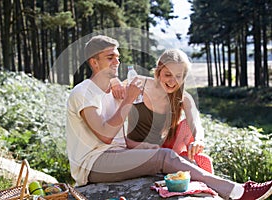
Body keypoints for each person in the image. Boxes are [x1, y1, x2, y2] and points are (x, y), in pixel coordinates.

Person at [66, 35, 272, 200]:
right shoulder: (83, 93)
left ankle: (225, 190)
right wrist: (128, 100)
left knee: (167, 155)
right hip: (92, 165)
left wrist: (139, 146)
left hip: (113, 156)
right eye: (110, 57)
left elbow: (116, 140)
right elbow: (105, 138)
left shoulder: (112, 92)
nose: (117, 61)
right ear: (93, 62)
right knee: (165, 157)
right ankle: (238, 191)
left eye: (118, 57)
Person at [123, 49, 213, 173]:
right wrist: (113, 82)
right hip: (134, 148)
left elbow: (195, 121)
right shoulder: (138, 83)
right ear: (158, 72)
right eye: (168, 74)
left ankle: (194, 168)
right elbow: (110, 93)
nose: (172, 81)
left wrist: (199, 140)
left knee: (201, 156)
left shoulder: (184, 98)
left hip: (162, 150)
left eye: (178, 76)